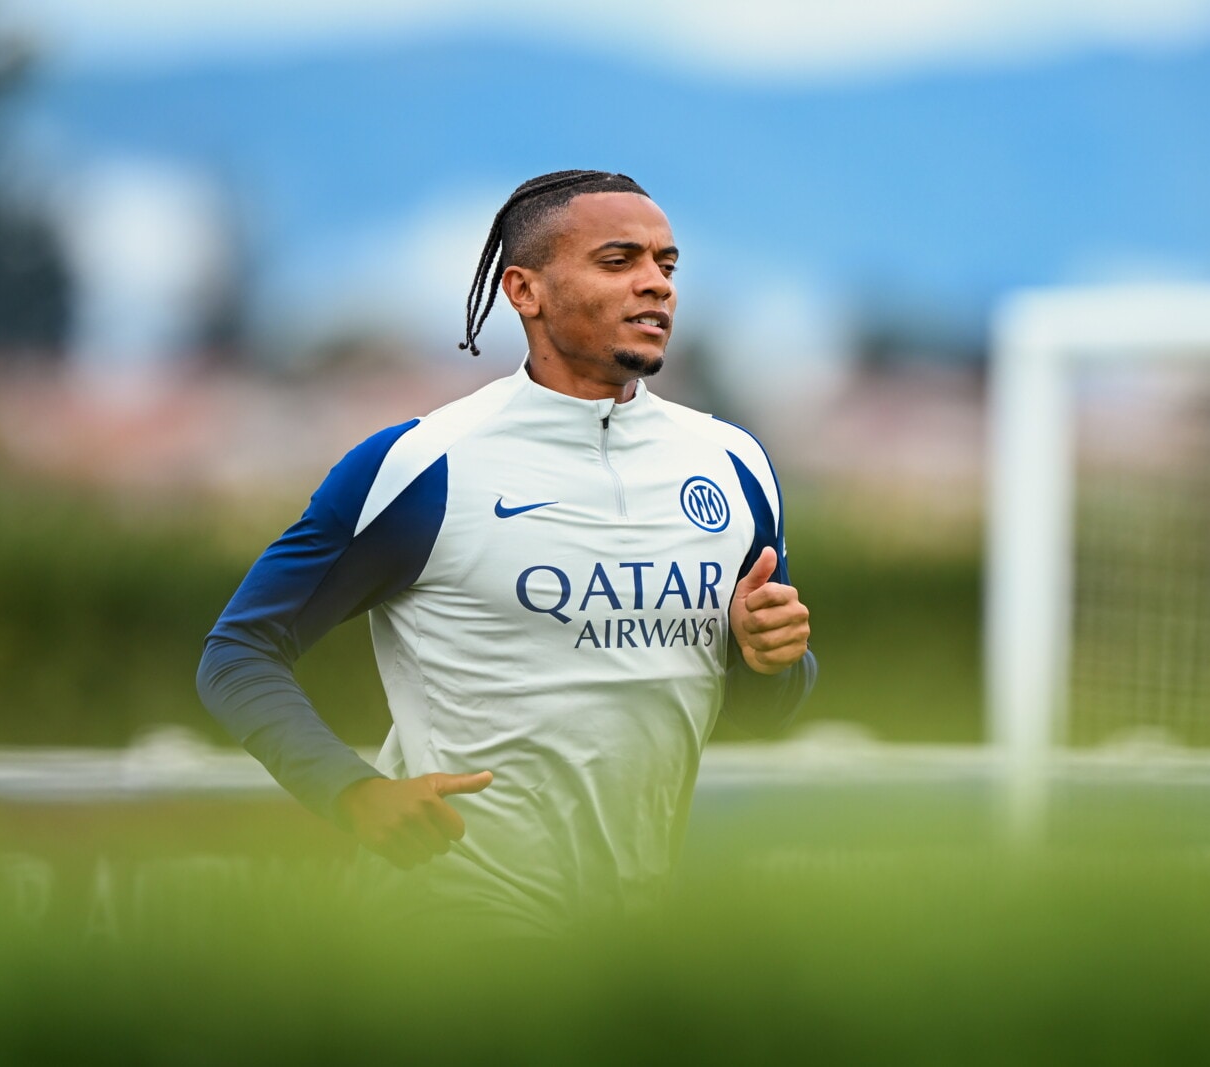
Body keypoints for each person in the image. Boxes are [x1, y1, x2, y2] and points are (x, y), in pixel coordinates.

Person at [196, 170, 816, 938]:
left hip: (632, 935)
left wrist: (770, 658)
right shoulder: (424, 466)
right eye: (618, 260)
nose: (656, 284)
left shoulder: (733, 463)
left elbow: (763, 710)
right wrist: (350, 791)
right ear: (525, 290)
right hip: (452, 921)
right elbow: (238, 653)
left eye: (667, 264)